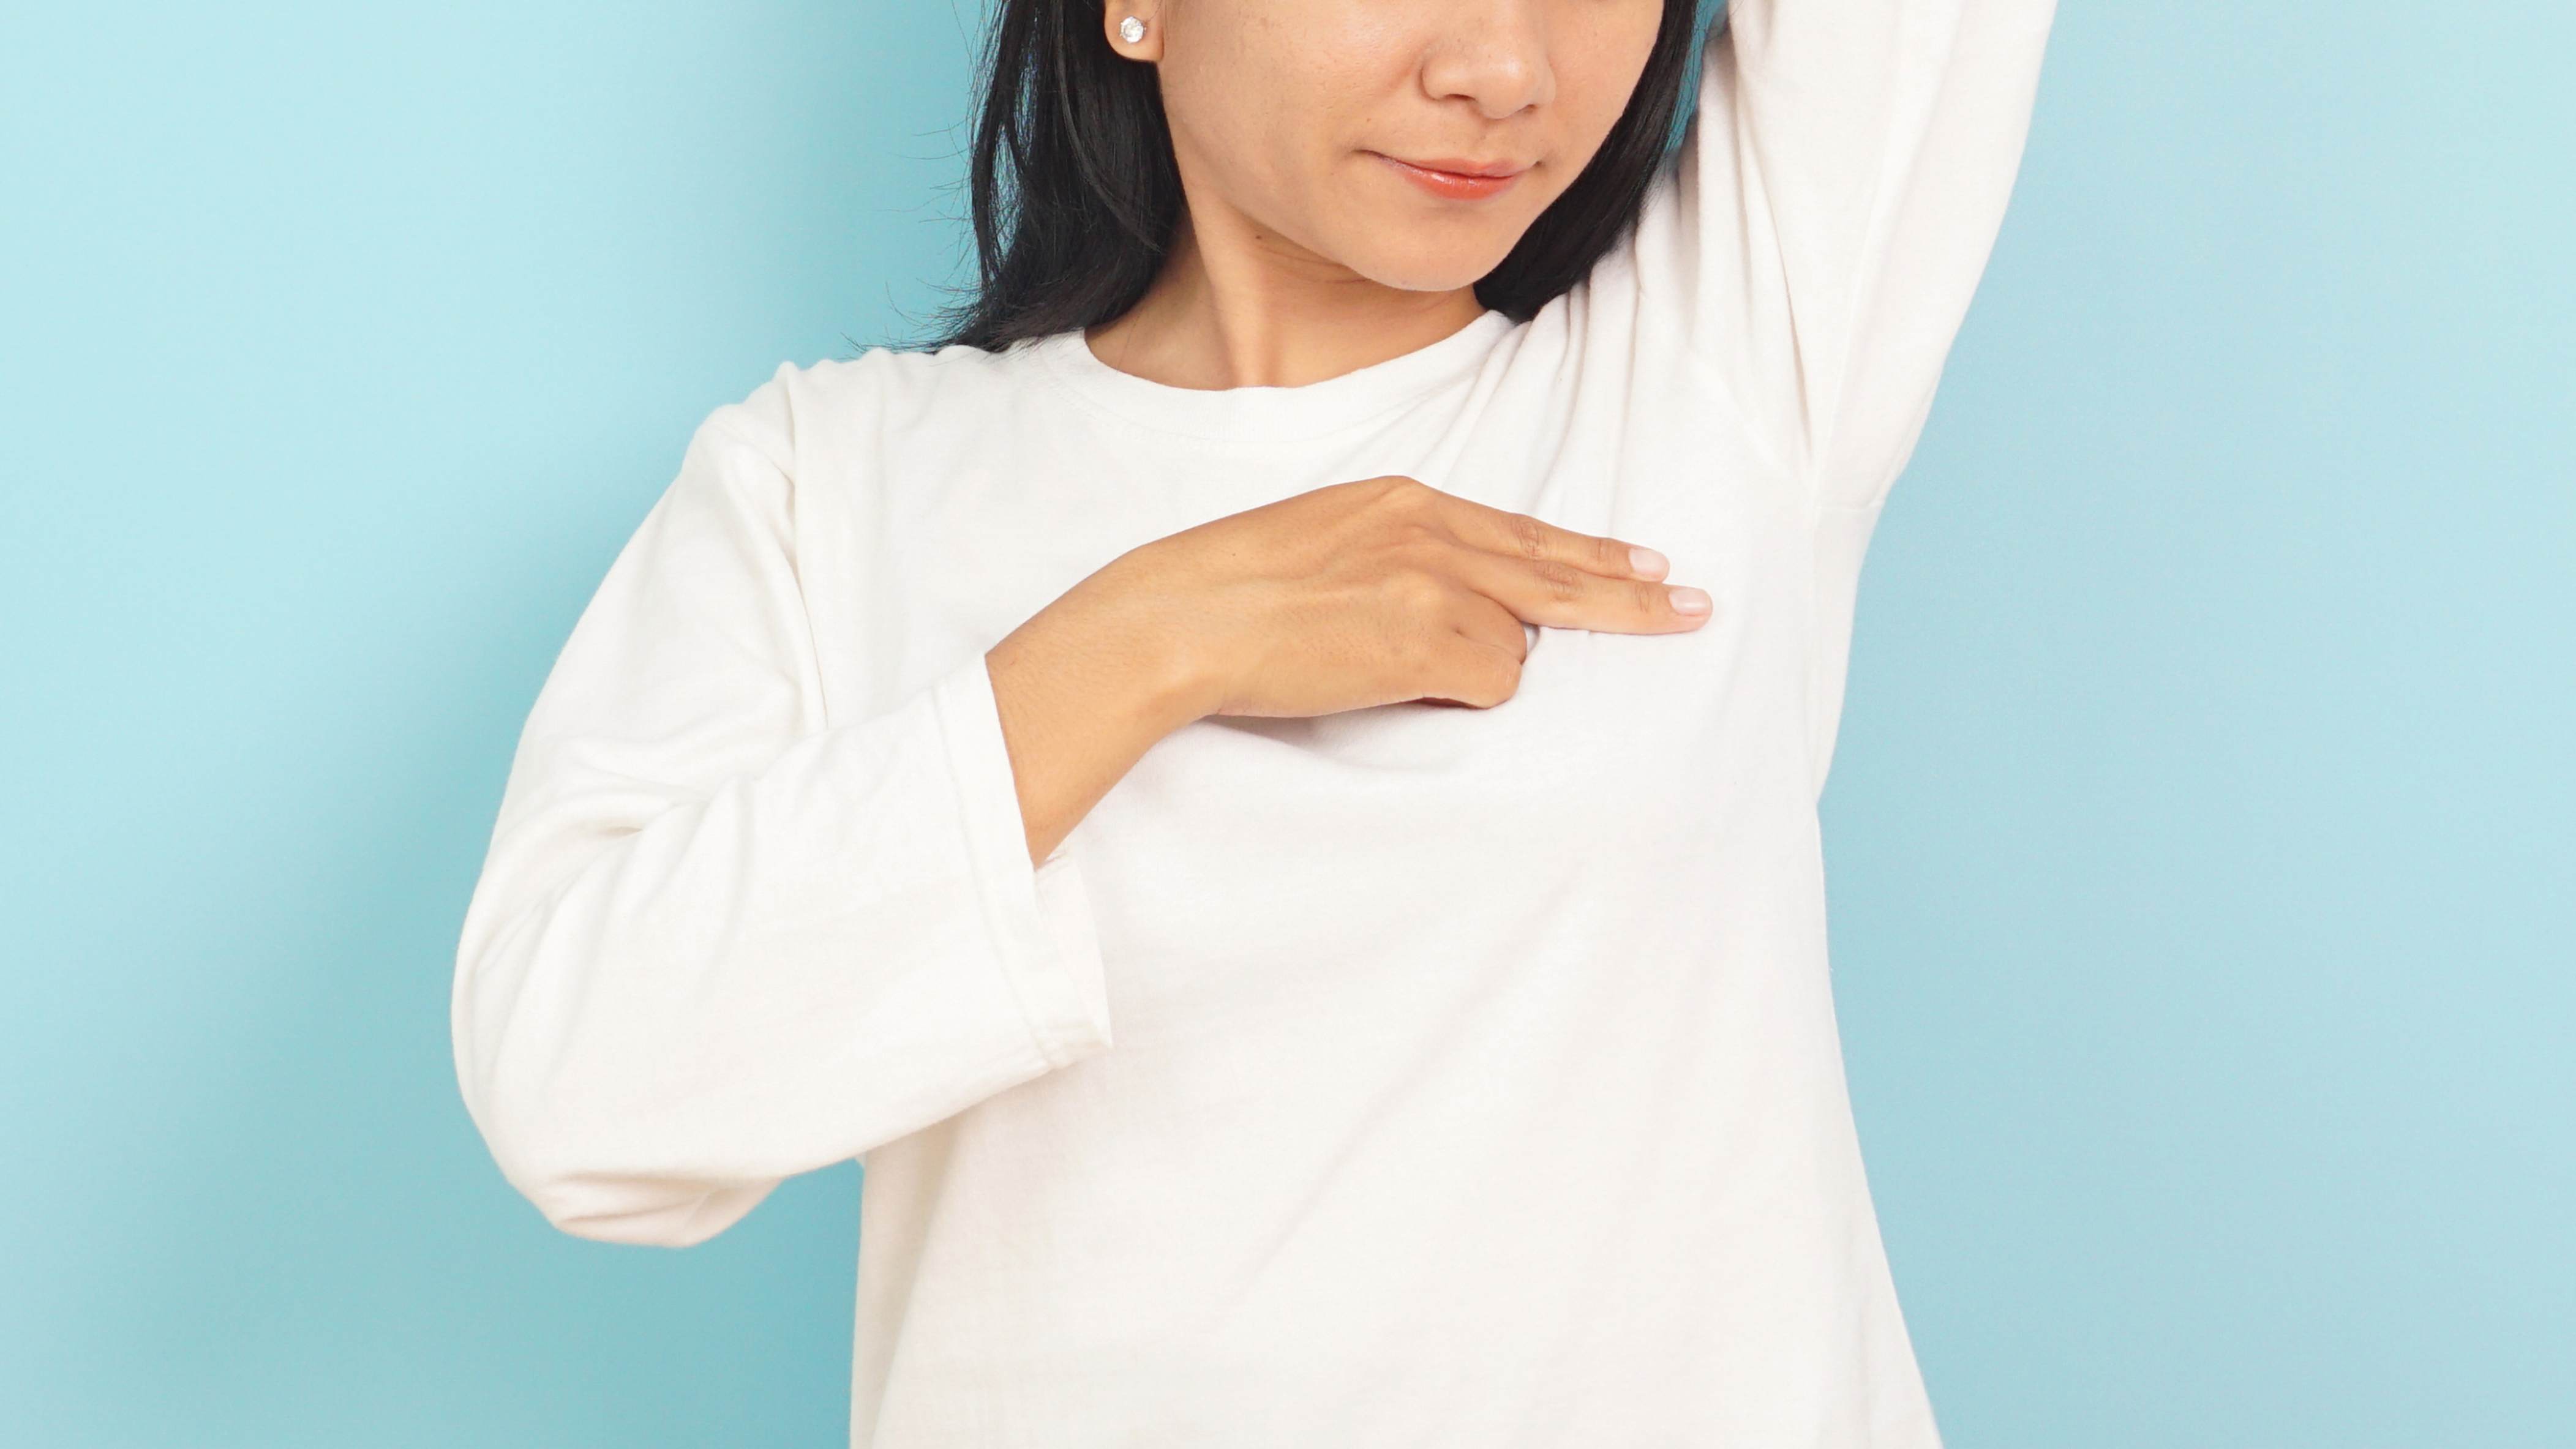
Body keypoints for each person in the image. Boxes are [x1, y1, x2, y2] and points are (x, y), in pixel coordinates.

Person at [449, 0, 2056, 1441]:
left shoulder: (1719, 377)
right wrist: (1150, 640)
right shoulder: (831, 482)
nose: (1503, 69)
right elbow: (577, 1099)